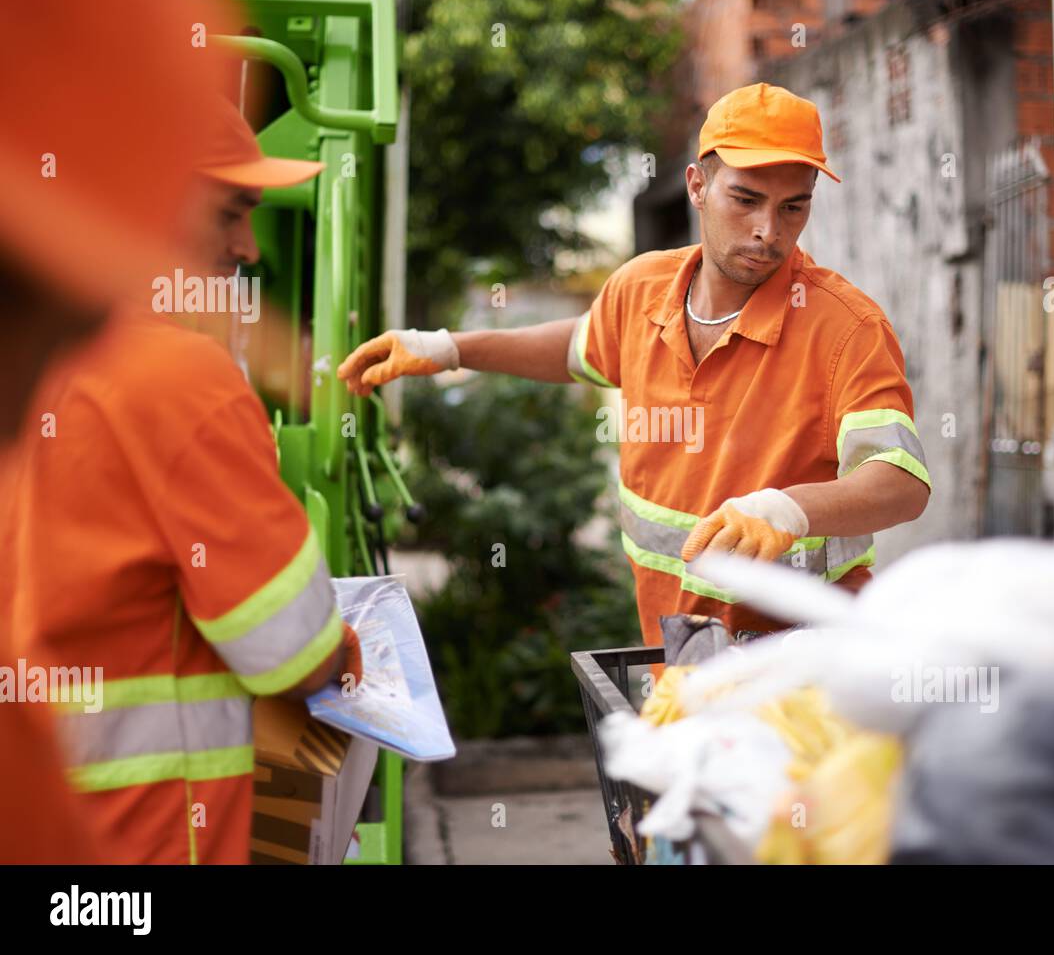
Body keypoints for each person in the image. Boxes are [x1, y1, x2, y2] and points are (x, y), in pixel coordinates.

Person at [337, 83, 931, 645]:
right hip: (678, 651)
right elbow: (581, 347)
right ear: (697, 186)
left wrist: (790, 509)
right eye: (745, 200)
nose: (767, 231)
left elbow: (900, 481)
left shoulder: (846, 327)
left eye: (793, 208)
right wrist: (449, 348)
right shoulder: (641, 289)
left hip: (808, 665)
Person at [3, 95, 362, 864]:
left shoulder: (28, 352)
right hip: (146, 840)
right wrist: (351, 652)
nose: (249, 247)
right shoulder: (177, 375)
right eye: (231, 211)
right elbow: (293, 653)